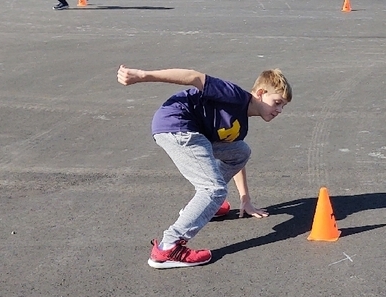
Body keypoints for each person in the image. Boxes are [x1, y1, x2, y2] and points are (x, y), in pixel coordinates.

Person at [116, 65, 292, 268]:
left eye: (283, 107)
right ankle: (167, 248)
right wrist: (142, 76)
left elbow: (236, 160)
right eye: (277, 103)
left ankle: (204, 206)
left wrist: (245, 199)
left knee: (240, 151)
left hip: (192, 131)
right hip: (177, 125)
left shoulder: (240, 123)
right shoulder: (234, 95)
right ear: (260, 93)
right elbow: (193, 77)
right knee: (214, 190)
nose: (279, 110)